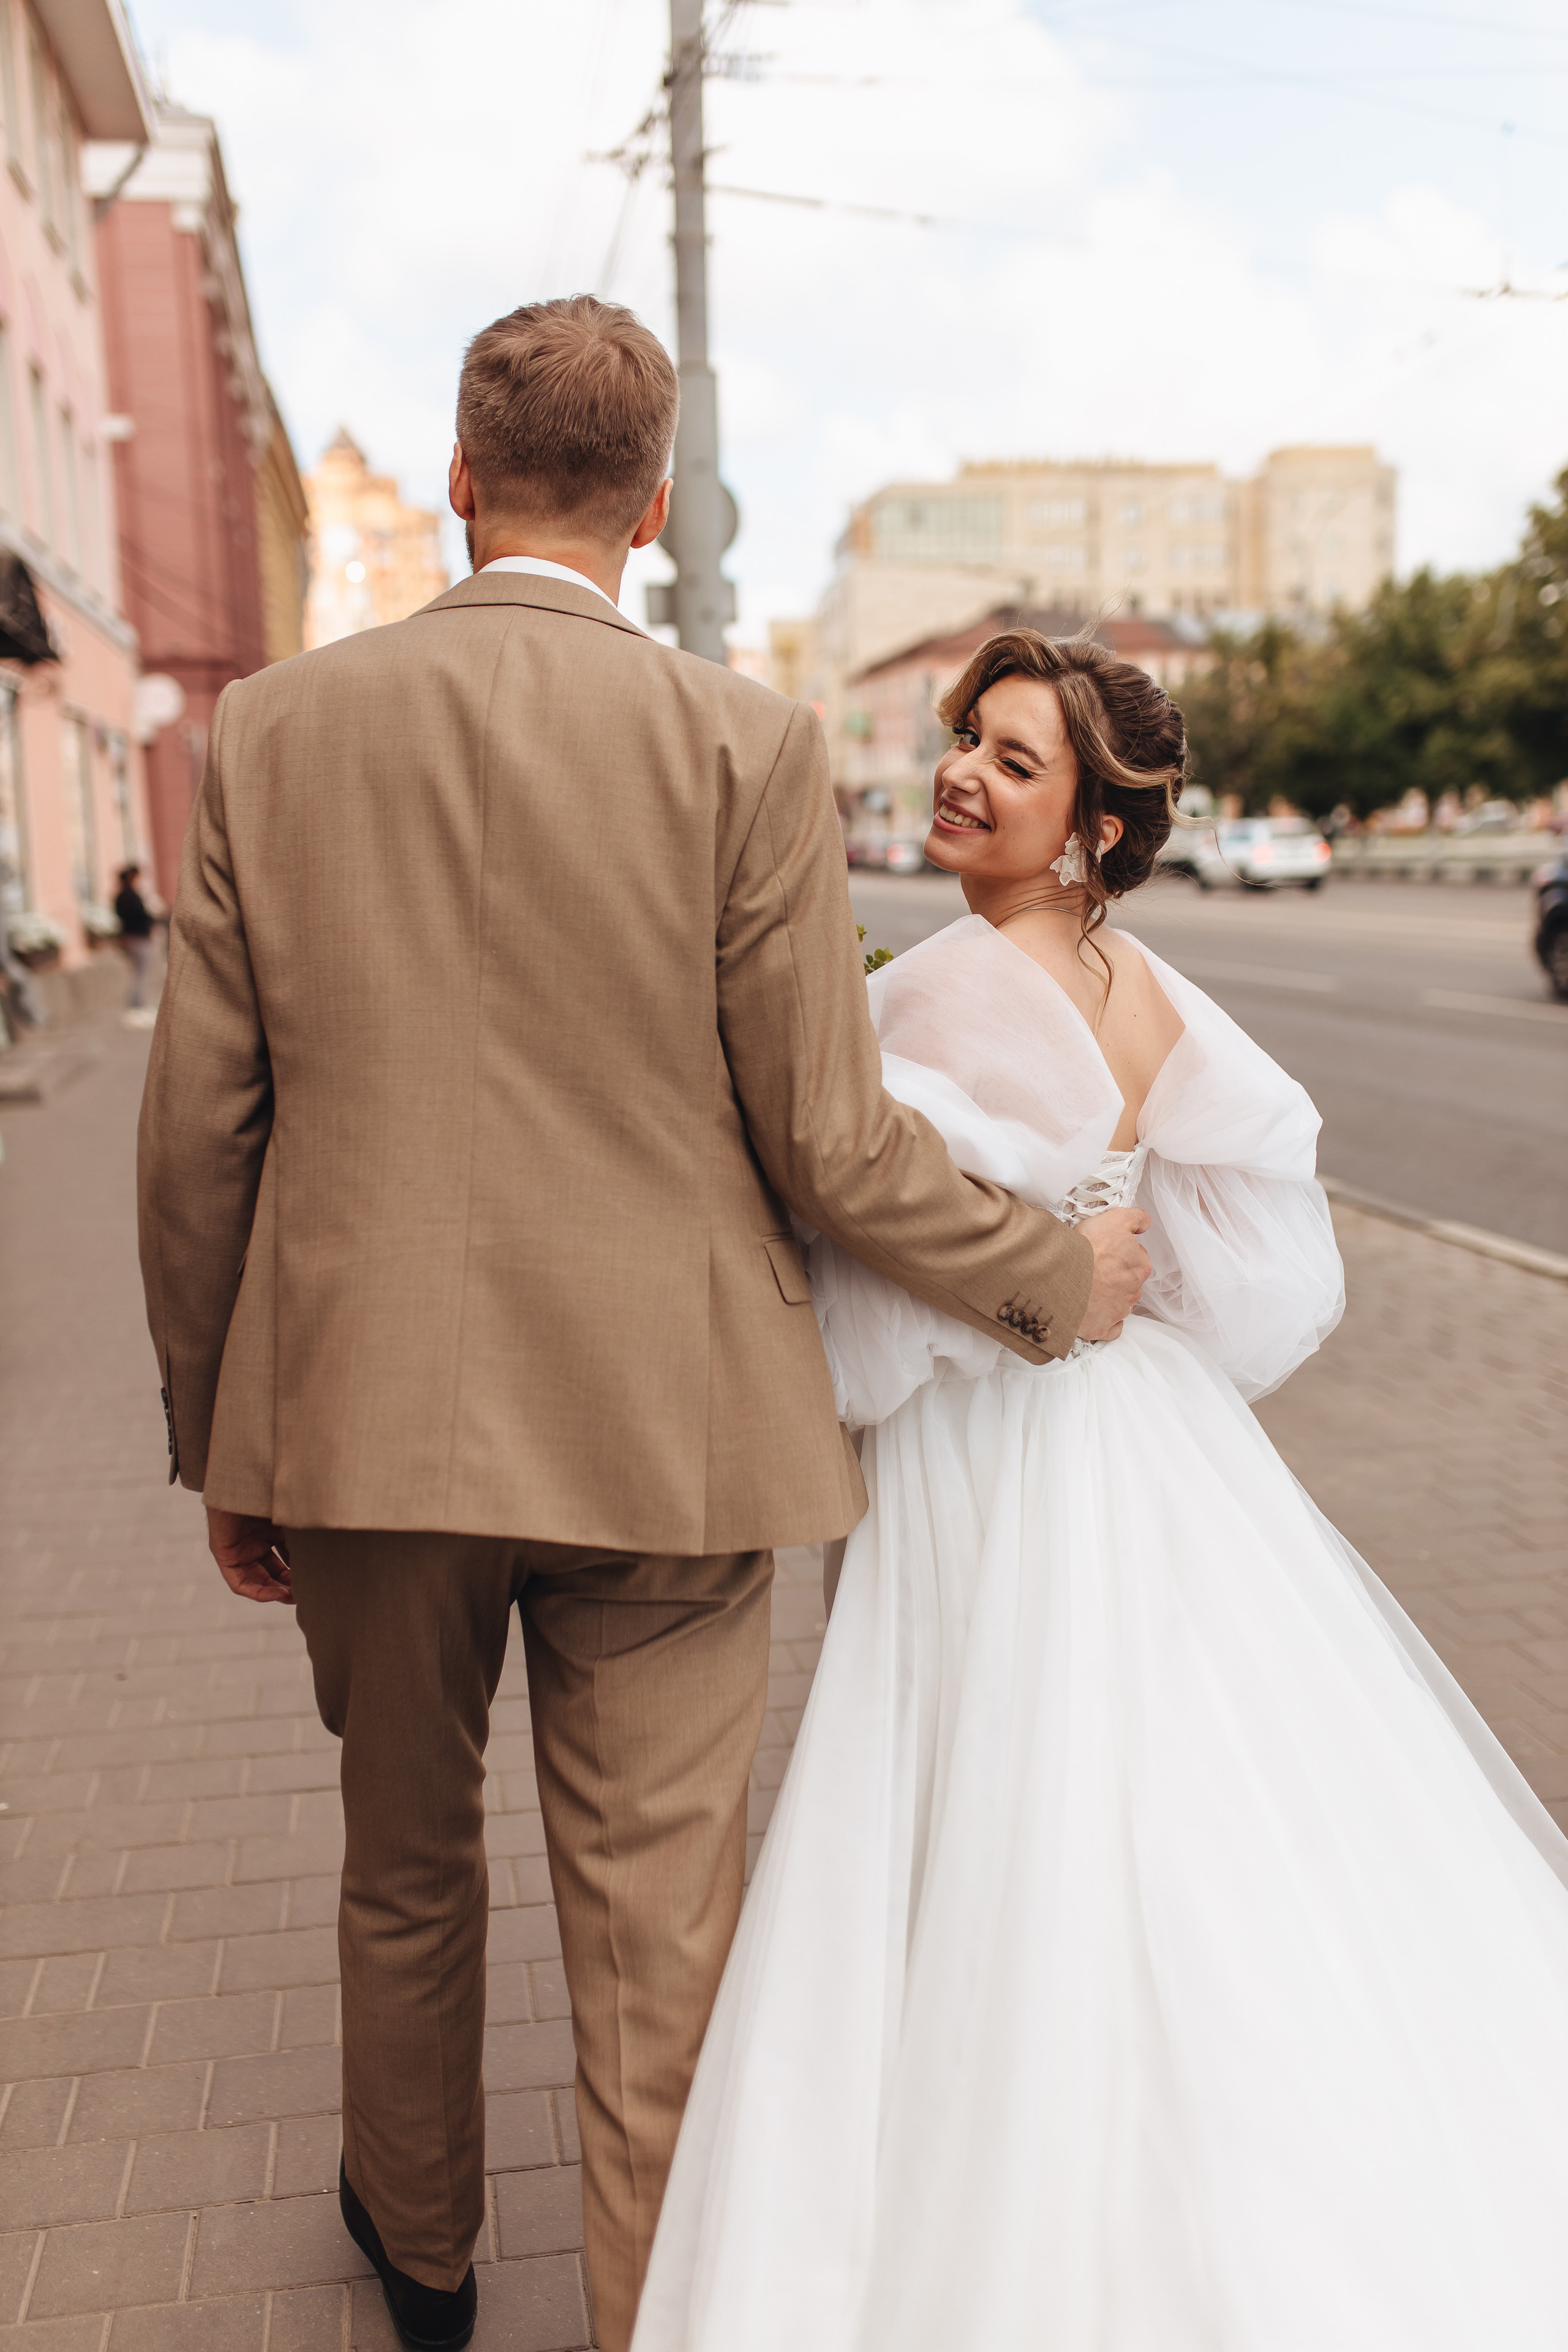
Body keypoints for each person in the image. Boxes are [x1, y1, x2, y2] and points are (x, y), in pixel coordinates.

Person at [135, 303, 1150, 2352]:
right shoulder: (743, 745)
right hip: (672, 1444)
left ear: (457, 473)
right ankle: (652, 2316)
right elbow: (830, 1137)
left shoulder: (275, 732)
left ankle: (421, 2265)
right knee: (658, 1942)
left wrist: (215, 1440)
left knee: (404, 1866)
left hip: (359, 1431)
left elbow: (194, 1137)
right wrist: (1061, 1277)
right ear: (658, 508)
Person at [632, 631, 1568, 2352]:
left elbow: (877, 1294)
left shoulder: (932, 989)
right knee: (1178, 1777)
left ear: (1083, 827)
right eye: (965, 741)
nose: (963, 776)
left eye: (1012, 760)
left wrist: (1007, 1278)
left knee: (1001, 1773)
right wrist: (1097, 1269)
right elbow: (1249, 1244)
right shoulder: (1147, 990)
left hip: (998, 1438)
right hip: (1148, 1428)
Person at [114, 863, 156, 1009]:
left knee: (137, 972)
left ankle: (137, 1001)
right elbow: (139, 916)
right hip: (137, 938)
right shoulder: (129, 897)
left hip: (131, 938)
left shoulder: (122, 896)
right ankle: (138, 1003)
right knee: (140, 973)